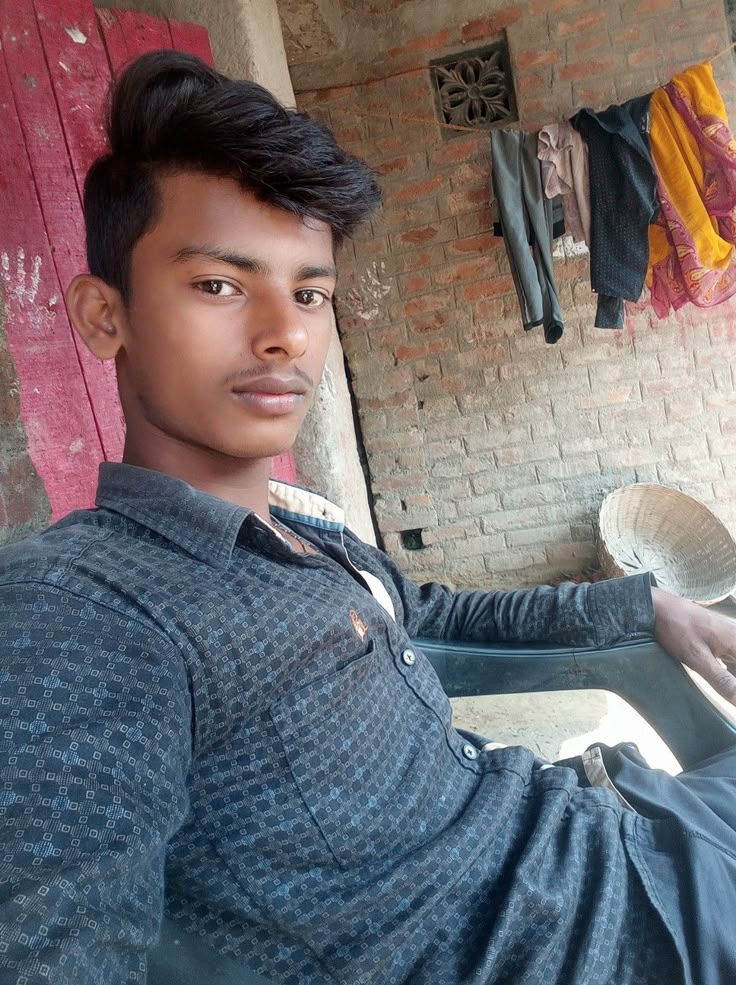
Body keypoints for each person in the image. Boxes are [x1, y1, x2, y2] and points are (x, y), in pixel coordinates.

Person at [2, 51, 736, 985]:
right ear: (106, 316)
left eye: (309, 291)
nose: (285, 332)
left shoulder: (303, 530)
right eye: (220, 285)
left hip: (611, 825)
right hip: (622, 938)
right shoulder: (89, 613)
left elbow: (434, 613)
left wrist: (646, 607)